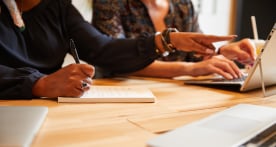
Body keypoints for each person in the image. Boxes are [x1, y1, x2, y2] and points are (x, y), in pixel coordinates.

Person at [0, 0, 254, 99]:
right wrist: (39, 83)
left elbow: (102, 49)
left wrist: (165, 40)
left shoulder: (59, 8)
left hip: (48, 111)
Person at [92, 0, 255, 74]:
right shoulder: (110, 3)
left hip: (174, 94)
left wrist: (222, 52)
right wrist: (189, 69)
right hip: (125, 96)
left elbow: (197, 57)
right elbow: (118, 59)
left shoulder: (182, 5)